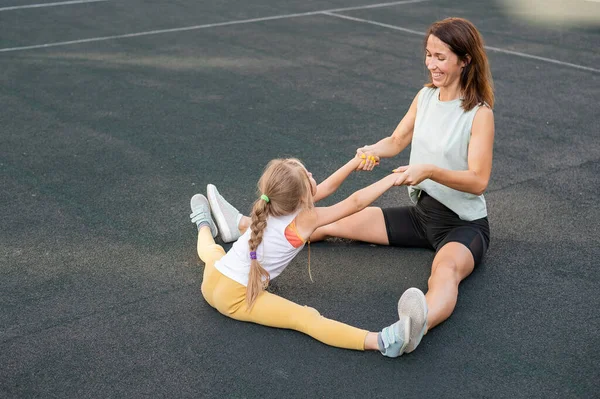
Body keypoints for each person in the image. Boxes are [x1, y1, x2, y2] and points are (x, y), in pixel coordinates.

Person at [206, 17, 495, 354]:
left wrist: (429, 170)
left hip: (462, 226)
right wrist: (370, 152)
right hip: (422, 216)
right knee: (331, 224)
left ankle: (416, 326)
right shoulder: (426, 97)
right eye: (428, 55)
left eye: (440, 57)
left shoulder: (479, 114)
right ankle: (241, 224)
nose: (431, 64)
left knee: (444, 272)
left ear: (465, 59)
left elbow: (478, 181)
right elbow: (397, 140)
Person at [191, 156, 427, 357]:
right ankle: (384, 342)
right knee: (305, 318)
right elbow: (354, 203)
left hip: (212, 280)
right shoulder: (305, 219)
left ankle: (203, 223)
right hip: (234, 299)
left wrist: (354, 163)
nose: (313, 174)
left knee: (213, 253)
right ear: (303, 196)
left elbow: (324, 189)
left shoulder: (273, 205)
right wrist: (391, 180)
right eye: (309, 174)